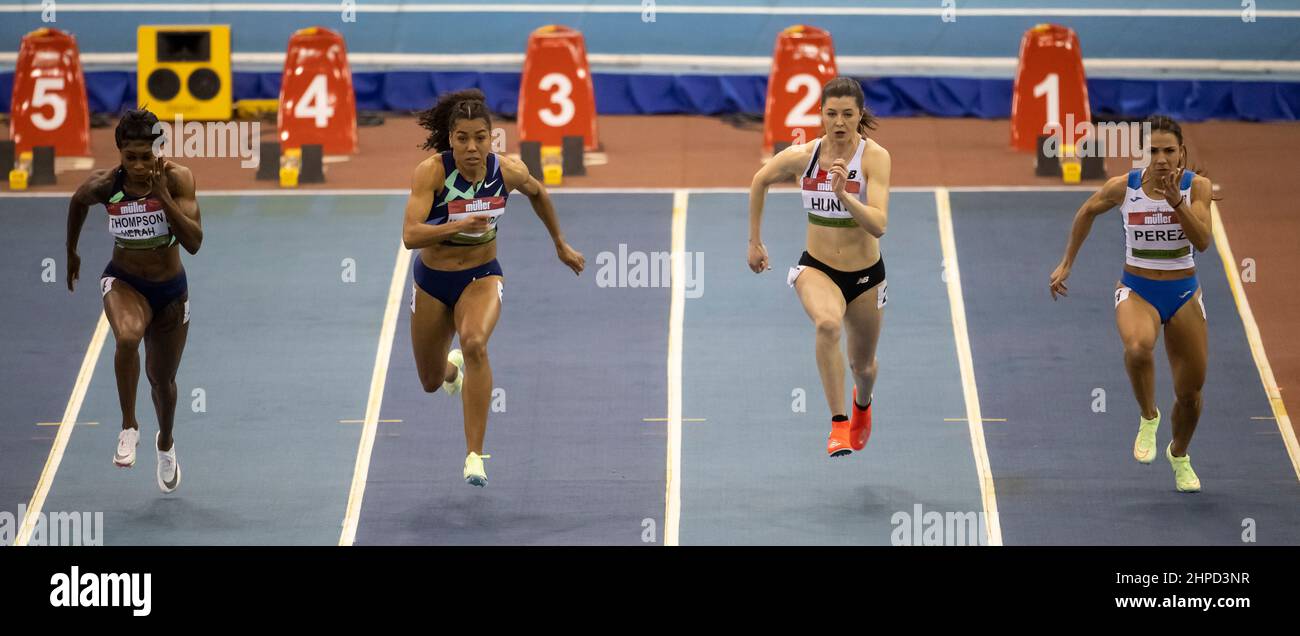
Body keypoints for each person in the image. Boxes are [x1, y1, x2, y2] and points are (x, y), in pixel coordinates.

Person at [402, 89, 585, 487]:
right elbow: (410, 236)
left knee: (475, 342)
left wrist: (560, 244)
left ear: (491, 138)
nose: (472, 147)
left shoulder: (508, 171)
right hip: (432, 280)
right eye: (463, 138)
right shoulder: (431, 173)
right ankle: (453, 372)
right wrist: (456, 226)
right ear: (451, 139)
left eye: (480, 138)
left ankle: (473, 456)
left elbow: (539, 194)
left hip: (481, 275)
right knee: (431, 381)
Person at [1050, 115, 1213, 493]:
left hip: (1184, 293)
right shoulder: (1124, 188)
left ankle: (1179, 454)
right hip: (1137, 289)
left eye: (1168, 151)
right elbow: (1086, 211)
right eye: (1152, 150)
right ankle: (1148, 416)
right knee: (1138, 348)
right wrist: (1067, 262)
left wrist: (1176, 202)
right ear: (1141, 154)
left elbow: (1202, 241)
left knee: (1190, 396)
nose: (1160, 159)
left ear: (1181, 153)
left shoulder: (1196, 188)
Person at [747, 77, 891, 458]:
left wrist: (843, 194)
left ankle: (863, 403)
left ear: (860, 115)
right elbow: (760, 180)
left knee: (863, 366)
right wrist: (754, 241)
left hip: (865, 277)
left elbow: (879, 224)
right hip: (818, 269)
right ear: (821, 116)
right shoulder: (804, 155)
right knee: (827, 325)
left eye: (847, 114)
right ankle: (838, 424)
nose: (839, 122)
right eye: (832, 114)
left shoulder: (874, 157)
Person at [66, 108, 203, 493]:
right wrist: (71, 252)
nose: (140, 166)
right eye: (132, 157)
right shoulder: (107, 185)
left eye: (148, 156)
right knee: (127, 337)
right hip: (124, 281)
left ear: (160, 150)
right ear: (120, 154)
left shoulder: (178, 179)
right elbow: (77, 202)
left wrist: (162, 197)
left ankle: (165, 442)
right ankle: (129, 426)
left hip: (171, 291)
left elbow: (193, 242)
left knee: (163, 382)